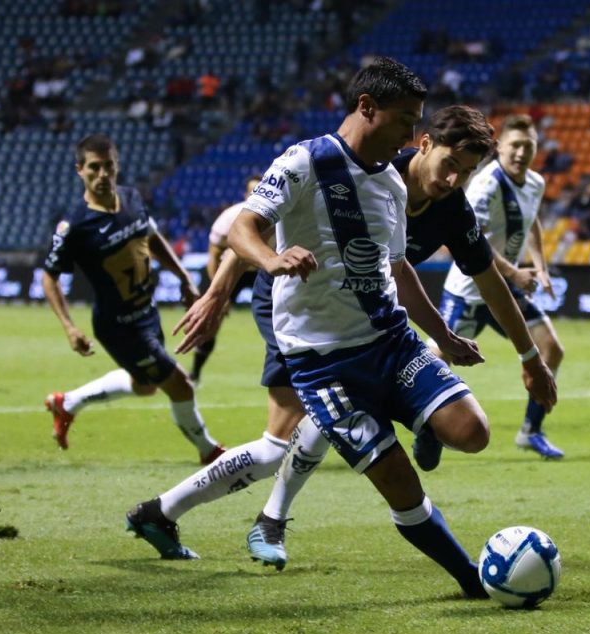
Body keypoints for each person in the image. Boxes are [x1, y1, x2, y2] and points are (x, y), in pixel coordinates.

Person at [127, 59, 524, 598]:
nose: (410, 136)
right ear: (367, 107)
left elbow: (398, 268)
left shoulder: (391, 182)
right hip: (322, 358)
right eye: (405, 121)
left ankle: (239, 512)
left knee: (473, 431)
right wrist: (266, 263)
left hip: (389, 340)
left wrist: (446, 337)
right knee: (352, 467)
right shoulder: (306, 160)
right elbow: (244, 226)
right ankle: (469, 580)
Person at [40, 134, 223, 465]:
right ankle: (209, 451)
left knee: (146, 386)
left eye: (108, 166)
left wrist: (183, 277)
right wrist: (69, 327)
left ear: (117, 166)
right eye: (94, 167)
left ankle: (67, 403)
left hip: (147, 313)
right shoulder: (75, 226)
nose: (102, 174)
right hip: (119, 326)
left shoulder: (132, 198)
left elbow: (151, 238)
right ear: (80, 169)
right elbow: (49, 277)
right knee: (181, 386)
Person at [436, 114, 567, 459]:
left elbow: (531, 220)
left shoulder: (535, 182)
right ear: (500, 147)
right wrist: (515, 272)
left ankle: (531, 432)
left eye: (529, 146)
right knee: (435, 362)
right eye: (515, 146)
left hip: (505, 289)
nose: (521, 153)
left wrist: (540, 266)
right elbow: (472, 239)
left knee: (550, 349)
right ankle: (428, 430)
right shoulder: (487, 184)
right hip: (469, 289)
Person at [188, 175, 261, 384]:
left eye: (259, 191)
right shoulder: (229, 218)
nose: (255, 196)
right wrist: (218, 292)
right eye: (251, 192)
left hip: (262, 270)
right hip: (232, 270)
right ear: (245, 195)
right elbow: (213, 256)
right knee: (212, 319)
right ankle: (195, 373)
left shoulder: (280, 216)